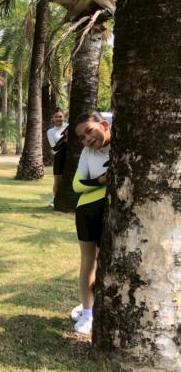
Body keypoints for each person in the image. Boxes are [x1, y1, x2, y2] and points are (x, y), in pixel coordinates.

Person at [70, 111, 111, 335]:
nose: (87, 139)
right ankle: (87, 313)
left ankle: (102, 307)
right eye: (82, 137)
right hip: (86, 211)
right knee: (88, 260)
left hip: (111, 212)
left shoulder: (125, 144)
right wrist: (101, 180)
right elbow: (77, 185)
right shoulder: (87, 152)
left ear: (104, 125)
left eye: (89, 131)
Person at [46, 108, 68, 208]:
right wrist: (65, 138)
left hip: (70, 157)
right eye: (56, 117)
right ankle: (55, 199)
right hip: (59, 157)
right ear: (52, 118)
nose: (58, 118)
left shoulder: (68, 127)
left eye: (60, 116)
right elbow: (54, 148)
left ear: (64, 117)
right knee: (57, 182)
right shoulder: (50, 131)